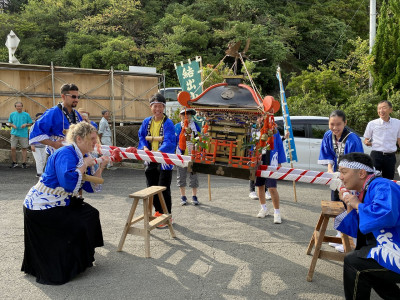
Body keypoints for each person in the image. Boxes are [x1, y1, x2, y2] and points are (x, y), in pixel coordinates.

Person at [21, 122, 109, 285]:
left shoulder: (82, 155)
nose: (95, 143)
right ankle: (64, 267)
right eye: (91, 139)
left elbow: (89, 185)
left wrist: (101, 166)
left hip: (59, 201)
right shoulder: (65, 153)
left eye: (95, 139)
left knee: (90, 214)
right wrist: (85, 165)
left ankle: (83, 259)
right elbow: (69, 182)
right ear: (79, 139)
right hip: (41, 206)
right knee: (76, 223)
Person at [335, 152, 400, 299]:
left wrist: (357, 204)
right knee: (366, 265)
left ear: (362, 173)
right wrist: (350, 203)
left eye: (344, 172)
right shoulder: (367, 189)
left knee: (354, 263)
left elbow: (386, 214)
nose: (340, 177)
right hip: (390, 246)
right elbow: (360, 227)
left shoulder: (382, 185)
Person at [138, 93, 176, 226]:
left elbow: (170, 141)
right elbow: (141, 136)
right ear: (151, 107)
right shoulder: (146, 121)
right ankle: (158, 212)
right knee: (151, 186)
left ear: (164, 107)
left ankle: (167, 215)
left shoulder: (168, 123)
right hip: (150, 158)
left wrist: (160, 152)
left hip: (164, 159)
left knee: (163, 187)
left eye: (160, 106)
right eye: (155, 106)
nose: (157, 109)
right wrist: (144, 147)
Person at [319, 110, 364, 201]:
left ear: (345, 123)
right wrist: (329, 169)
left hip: (351, 176)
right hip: (336, 174)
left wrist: (347, 175)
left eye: (338, 124)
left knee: (348, 202)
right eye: (332, 124)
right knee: (335, 201)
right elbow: (328, 154)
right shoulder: (328, 135)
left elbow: (358, 162)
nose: (335, 128)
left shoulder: (353, 139)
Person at [29, 83, 82, 155]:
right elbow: (35, 131)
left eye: (78, 97)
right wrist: (53, 144)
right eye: (73, 97)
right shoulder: (52, 112)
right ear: (63, 96)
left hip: (73, 153)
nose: (76, 99)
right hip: (57, 153)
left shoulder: (77, 115)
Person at [255, 130, 286, 224]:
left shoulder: (274, 130)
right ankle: (263, 208)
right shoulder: (255, 128)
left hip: (271, 158)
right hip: (259, 159)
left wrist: (279, 162)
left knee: (272, 187)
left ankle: (277, 212)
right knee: (260, 185)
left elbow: (280, 146)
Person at [363, 100, 400, 180]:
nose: (381, 111)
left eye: (384, 108)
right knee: (372, 179)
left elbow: (399, 140)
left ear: (390, 109)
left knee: (389, 180)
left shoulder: (397, 123)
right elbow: (365, 140)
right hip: (376, 155)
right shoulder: (372, 123)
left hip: (390, 156)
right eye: (379, 108)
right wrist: (367, 142)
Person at [175, 108, 201, 206]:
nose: (187, 117)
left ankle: (194, 196)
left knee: (194, 176)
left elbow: (199, 139)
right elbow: (174, 140)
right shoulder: (177, 127)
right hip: (181, 154)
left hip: (192, 154)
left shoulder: (195, 127)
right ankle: (183, 196)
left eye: (189, 115)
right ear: (180, 116)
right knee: (181, 176)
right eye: (184, 115)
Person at [8, 101, 33, 168]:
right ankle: (14, 162)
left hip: (23, 134)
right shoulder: (12, 114)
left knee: (24, 148)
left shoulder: (26, 114)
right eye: (17, 106)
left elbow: (31, 123)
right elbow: (9, 123)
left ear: (22, 107)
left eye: (20, 106)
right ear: (15, 107)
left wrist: (26, 124)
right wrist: (12, 125)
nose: (19, 107)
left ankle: (24, 163)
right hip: (14, 133)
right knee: (13, 148)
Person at [30, 113, 47, 177]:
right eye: (38, 118)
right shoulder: (33, 126)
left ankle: (41, 171)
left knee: (43, 160)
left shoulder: (45, 126)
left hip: (44, 146)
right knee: (39, 160)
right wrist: (32, 145)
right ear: (36, 119)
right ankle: (39, 173)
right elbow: (30, 136)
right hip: (36, 146)